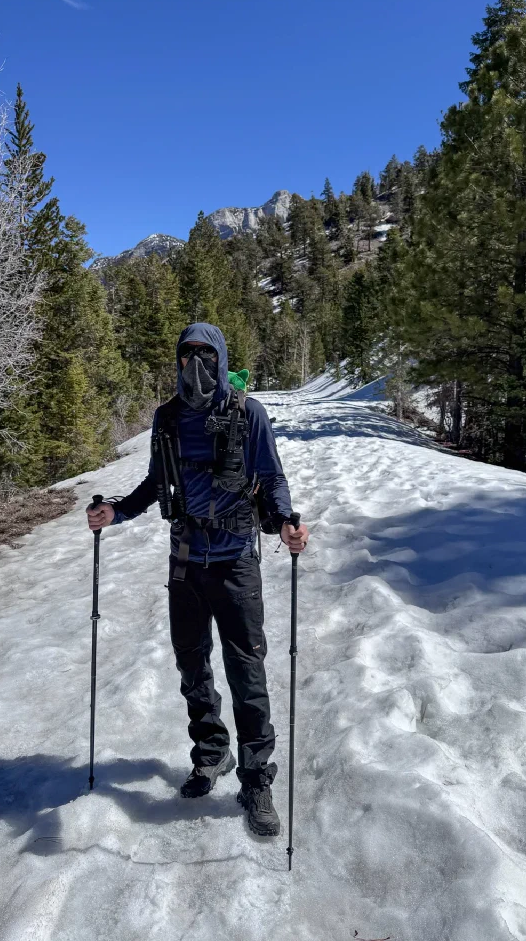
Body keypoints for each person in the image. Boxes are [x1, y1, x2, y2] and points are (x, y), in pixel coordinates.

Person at [86, 322, 309, 837]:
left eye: (205, 355)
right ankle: (212, 753)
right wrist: (116, 513)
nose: (195, 365)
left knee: (247, 673)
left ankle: (256, 779)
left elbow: (271, 477)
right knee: (193, 667)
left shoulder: (247, 413)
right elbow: (154, 482)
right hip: (185, 562)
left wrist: (286, 523)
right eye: (185, 355)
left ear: (222, 357)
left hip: (234, 562)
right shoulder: (167, 418)